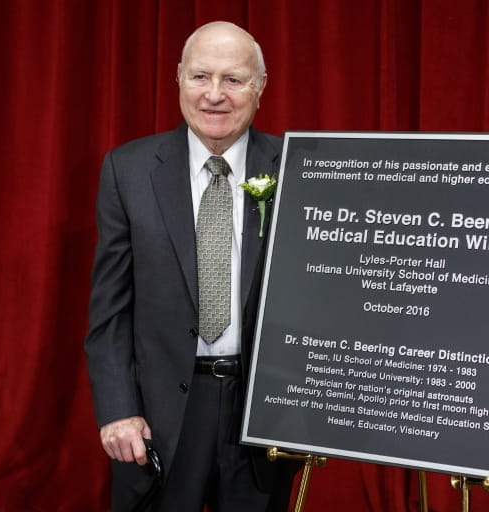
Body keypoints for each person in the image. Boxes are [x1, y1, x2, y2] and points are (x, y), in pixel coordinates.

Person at [85, 21, 296, 511]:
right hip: (158, 418)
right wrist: (118, 411)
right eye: (201, 76)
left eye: (233, 79)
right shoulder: (128, 170)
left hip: (262, 417)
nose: (214, 95)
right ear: (178, 77)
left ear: (260, 86)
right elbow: (110, 312)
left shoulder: (297, 168)